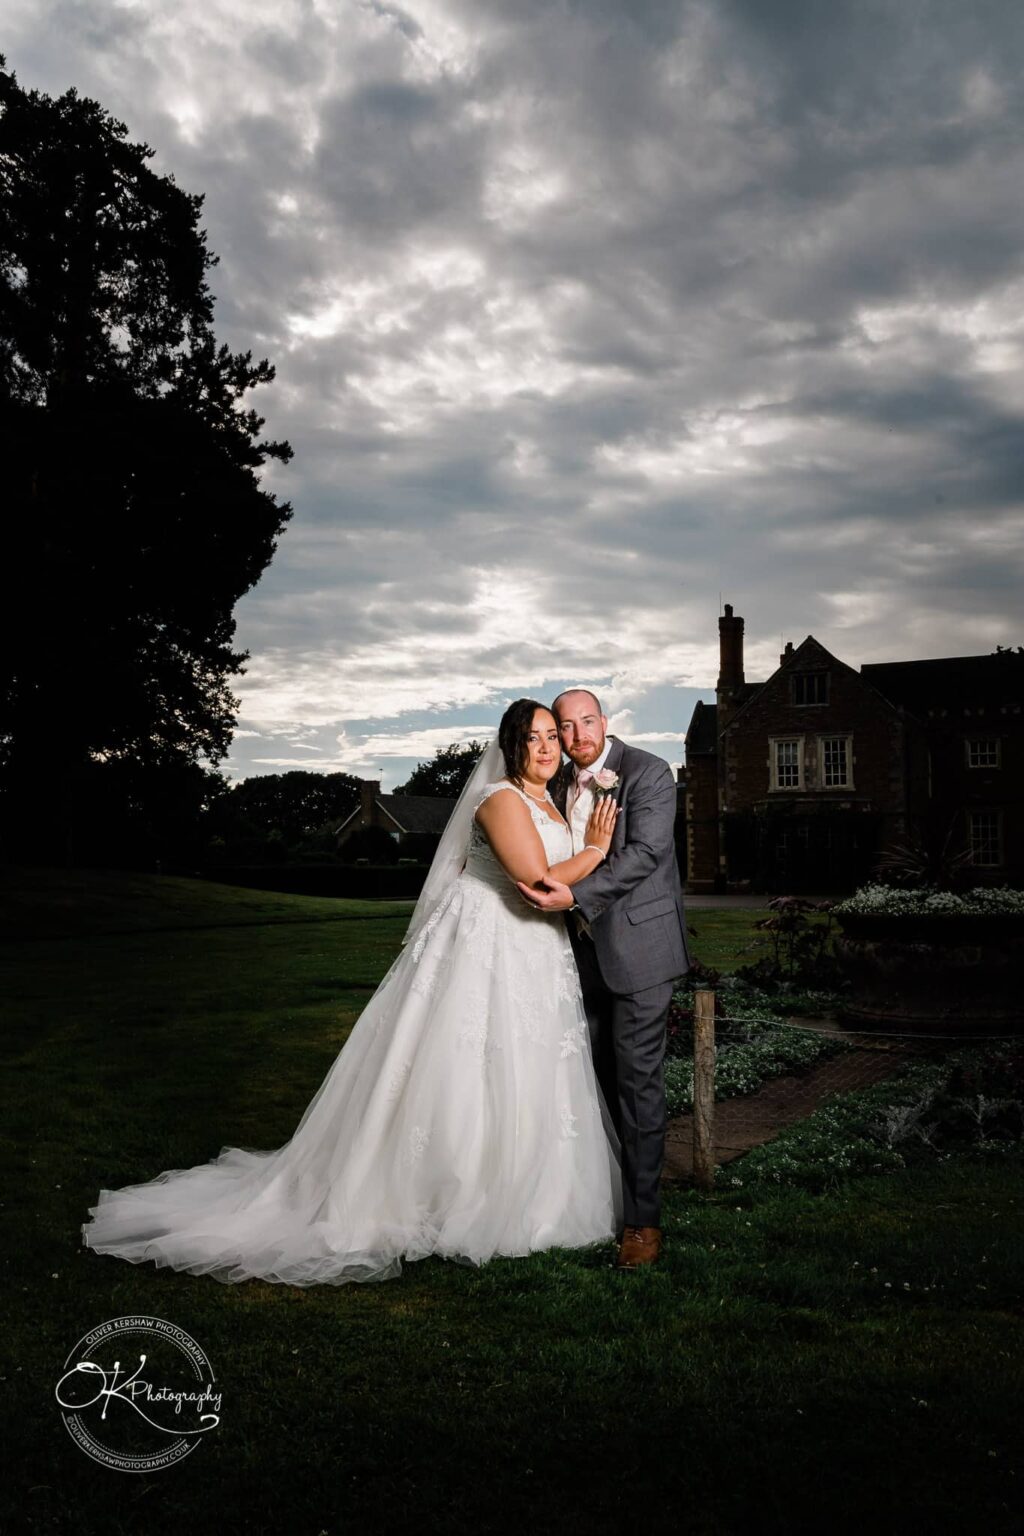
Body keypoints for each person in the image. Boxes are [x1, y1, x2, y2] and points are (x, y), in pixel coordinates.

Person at [80, 700, 623, 1287]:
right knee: (467, 1062)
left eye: (552, 736)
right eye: (533, 738)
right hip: (488, 940)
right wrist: (593, 849)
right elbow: (536, 880)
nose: (546, 747)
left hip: (538, 953)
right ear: (509, 746)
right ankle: (448, 1193)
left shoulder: (553, 798)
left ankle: (532, 1191)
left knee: (531, 1062)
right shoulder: (500, 800)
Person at [516, 689, 690, 1270]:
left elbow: (646, 853)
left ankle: (642, 1224)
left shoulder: (648, 772)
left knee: (638, 1087)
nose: (576, 735)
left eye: (586, 722)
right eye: (564, 727)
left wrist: (577, 894)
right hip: (576, 954)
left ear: (605, 722)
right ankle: (606, 1198)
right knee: (592, 1081)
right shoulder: (558, 782)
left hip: (640, 951)